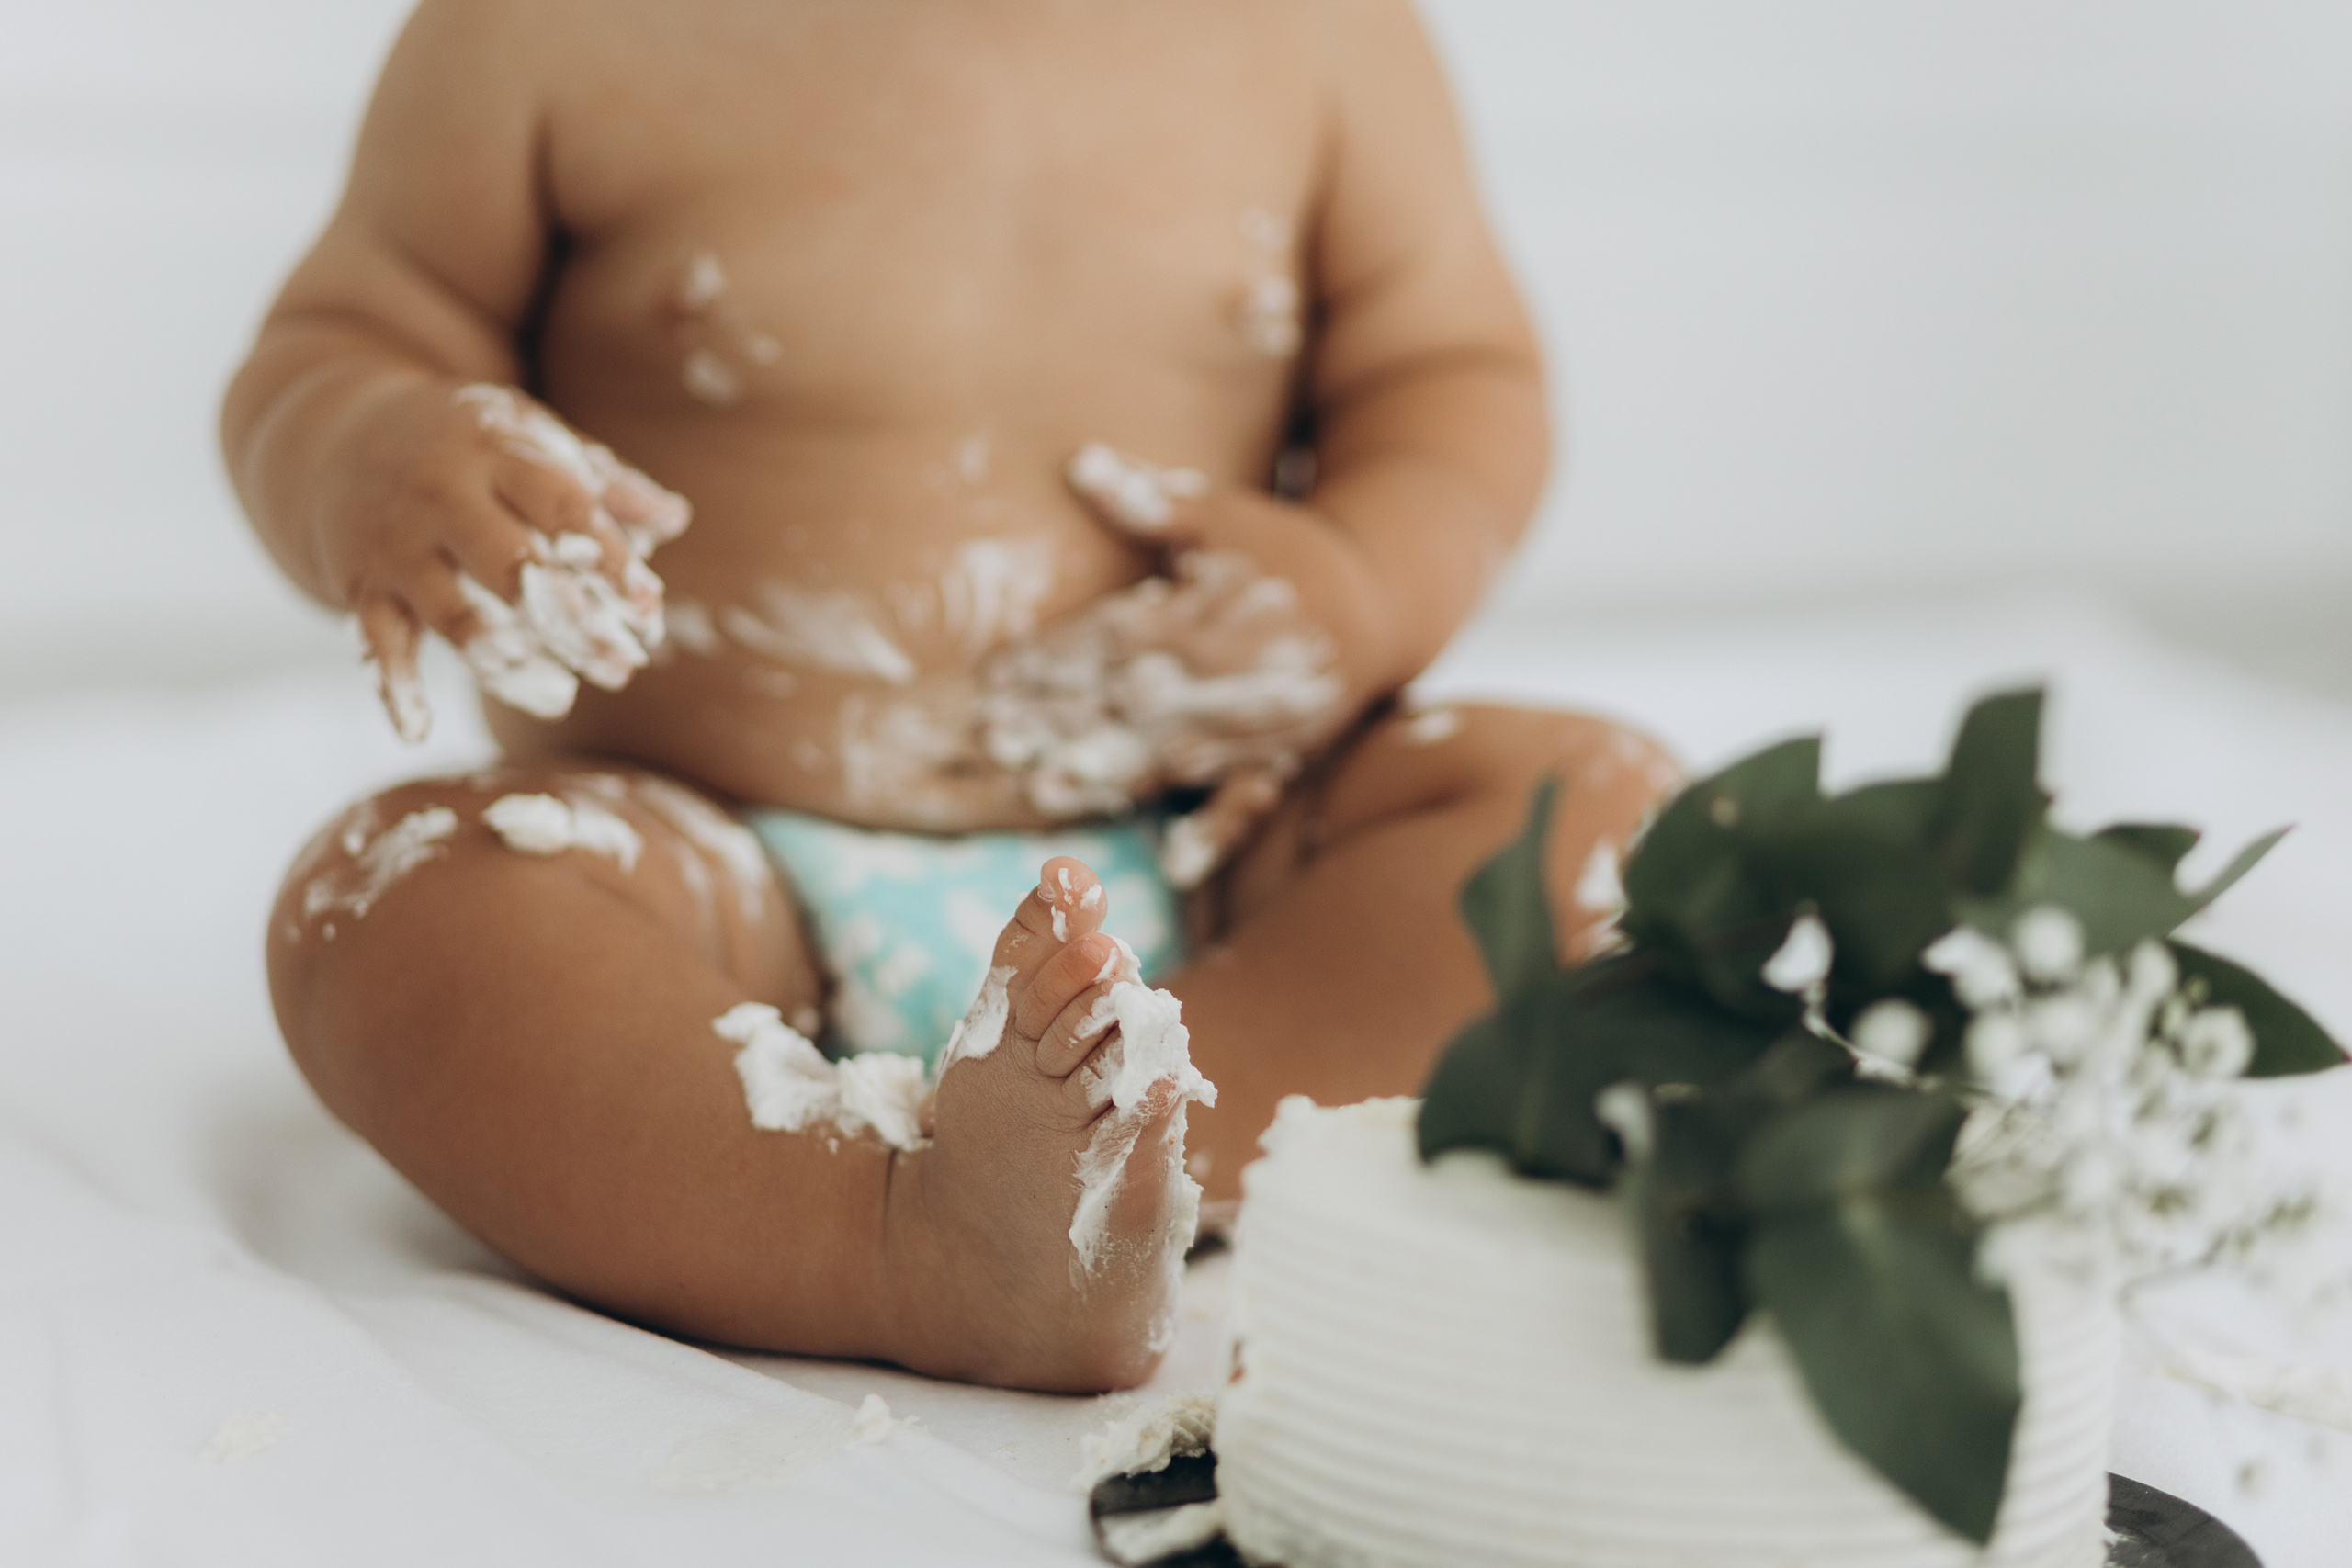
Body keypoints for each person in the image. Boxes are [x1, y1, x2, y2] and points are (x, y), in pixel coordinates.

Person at [223, 0, 1679, 1393]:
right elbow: (340, 340)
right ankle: (896, 1237)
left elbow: (1454, 375)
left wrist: (1356, 586)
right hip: (703, 885)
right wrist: (373, 454)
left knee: (1598, 813)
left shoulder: (1325, 34)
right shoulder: (548, 27)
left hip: (1204, 858)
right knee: (385, 903)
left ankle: (1121, 1160)